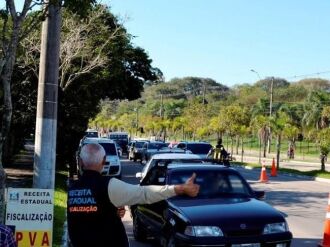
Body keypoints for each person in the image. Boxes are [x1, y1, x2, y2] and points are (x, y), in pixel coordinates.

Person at [67, 143, 199, 247]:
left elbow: (87, 214)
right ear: (104, 160)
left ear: (81, 162)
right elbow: (144, 194)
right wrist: (179, 189)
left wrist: (112, 210)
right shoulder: (109, 185)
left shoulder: (72, 189)